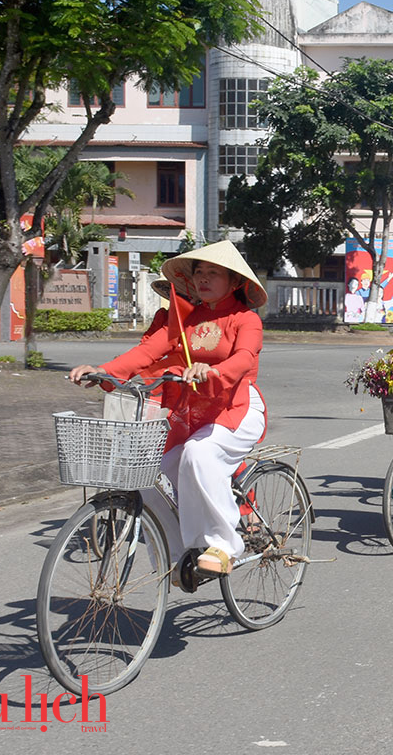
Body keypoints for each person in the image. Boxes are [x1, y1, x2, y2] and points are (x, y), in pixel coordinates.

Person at [68, 241, 268, 577]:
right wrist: (103, 371)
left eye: (213, 273)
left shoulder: (245, 319)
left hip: (236, 408)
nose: (203, 279)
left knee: (197, 455)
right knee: (148, 475)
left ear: (234, 281)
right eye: (199, 273)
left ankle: (223, 545)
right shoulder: (186, 321)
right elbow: (145, 354)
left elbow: (245, 358)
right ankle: (177, 556)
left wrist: (215, 371)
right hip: (193, 412)